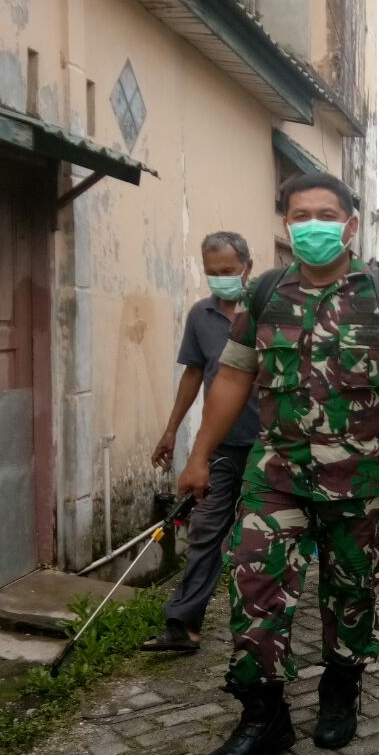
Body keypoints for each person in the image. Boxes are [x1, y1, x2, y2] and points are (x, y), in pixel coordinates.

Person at [177, 172, 379, 755]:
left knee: (351, 592)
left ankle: (340, 690)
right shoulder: (265, 293)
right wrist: (200, 454)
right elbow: (233, 378)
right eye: (301, 215)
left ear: (350, 225)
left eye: (327, 214)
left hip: (361, 479)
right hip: (275, 474)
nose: (313, 224)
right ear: (285, 225)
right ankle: (263, 716)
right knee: (253, 588)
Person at [144, 231, 260, 653]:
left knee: (258, 541)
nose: (221, 280)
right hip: (219, 447)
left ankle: (257, 628)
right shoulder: (201, 315)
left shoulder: (268, 311)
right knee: (206, 531)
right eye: (213, 273)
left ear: (247, 265)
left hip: (270, 447)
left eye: (228, 271)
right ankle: (183, 624)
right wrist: (172, 430)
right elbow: (193, 374)